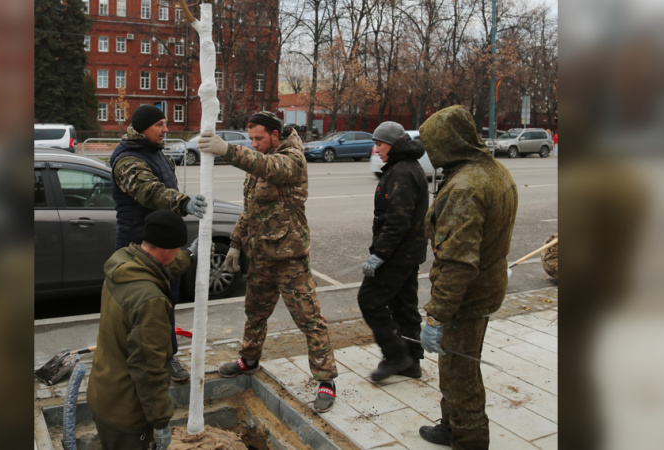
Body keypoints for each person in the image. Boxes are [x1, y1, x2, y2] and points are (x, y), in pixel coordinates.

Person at [197, 111, 339, 413]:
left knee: (309, 319)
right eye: (250, 139)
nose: (254, 144)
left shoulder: (291, 159)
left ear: (275, 135)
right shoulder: (261, 160)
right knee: (255, 313)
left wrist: (228, 150)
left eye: (258, 138)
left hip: (290, 259)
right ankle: (248, 359)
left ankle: (326, 380)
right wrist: (235, 245)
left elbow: (269, 166)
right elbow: (250, 209)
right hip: (261, 257)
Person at [416, 105, 518, 449]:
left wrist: (437, 315)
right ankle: (450, 425)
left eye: (433, 145)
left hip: (466, 298)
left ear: (447, 143)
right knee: (455, 365)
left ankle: (469, 439)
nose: (430, 154)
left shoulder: (464, 188)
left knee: (460, 377)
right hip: (486, 287)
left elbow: (458, 262)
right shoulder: (494, 172)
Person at [109, 104, 208, 382]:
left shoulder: (156, 153)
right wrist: (184, 203)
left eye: (166, 123)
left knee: (166, 303)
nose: (167, 129)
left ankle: (168, 356)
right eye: (160, 124)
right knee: (138, 308)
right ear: (143, 129)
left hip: (161, 246)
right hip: (138, 248)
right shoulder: (127, 160)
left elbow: (167, 187)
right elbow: (149, 191)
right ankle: (132, 365)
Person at [87, 210, 200, 450]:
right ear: (168, 250)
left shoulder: (123, 262)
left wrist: (190, 254)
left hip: (102, 392)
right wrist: (160, 422)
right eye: (177, 249)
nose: (177, 253)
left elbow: (163, 265)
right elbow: (148, 369)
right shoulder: (151, 301)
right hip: (126, 414)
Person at [357, 121, 429, 382]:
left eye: (379, 144)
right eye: (374, 144)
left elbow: (398, 220)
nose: (376, 150)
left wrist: (380, 254)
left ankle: (397, 355)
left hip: (399, 254)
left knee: (369, 300)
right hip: (409, 251)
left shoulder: (402, 171)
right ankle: (411, 361)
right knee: (404, 306)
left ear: (393, 143)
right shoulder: (405, 166)